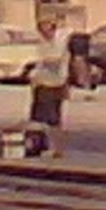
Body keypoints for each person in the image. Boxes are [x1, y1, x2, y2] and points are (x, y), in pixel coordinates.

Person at [27, 14, 71, 158]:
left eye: (46, 25)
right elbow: (40, 62)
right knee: (37, 118)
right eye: (41, 27)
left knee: (54, 119)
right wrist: (34, 78)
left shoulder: (60, 40)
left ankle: (58, 149)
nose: (43, 30)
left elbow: (55, 60)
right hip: (42, 84)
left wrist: (42, 65)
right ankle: (42, 145)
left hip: (56, 83)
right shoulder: (41, 42)